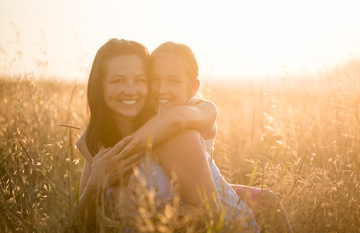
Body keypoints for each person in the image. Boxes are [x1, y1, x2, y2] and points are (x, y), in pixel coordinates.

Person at [76, 38, 256, 231]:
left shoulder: (174, 135)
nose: (130, 90)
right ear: (99, 86)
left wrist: (146, 218)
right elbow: (83, 226)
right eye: (117, 80)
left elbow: (210, 215)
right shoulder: (98, 143)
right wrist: (96, 184)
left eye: (140, 80)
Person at [147, 41, 293, 232]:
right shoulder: (156, 115)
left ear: (193, 87)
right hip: (210, 201)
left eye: (173, 81)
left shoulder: (195, 113)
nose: (161, 89)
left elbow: (176, 121)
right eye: (154, 80)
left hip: (229, 219)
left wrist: (132, 142)